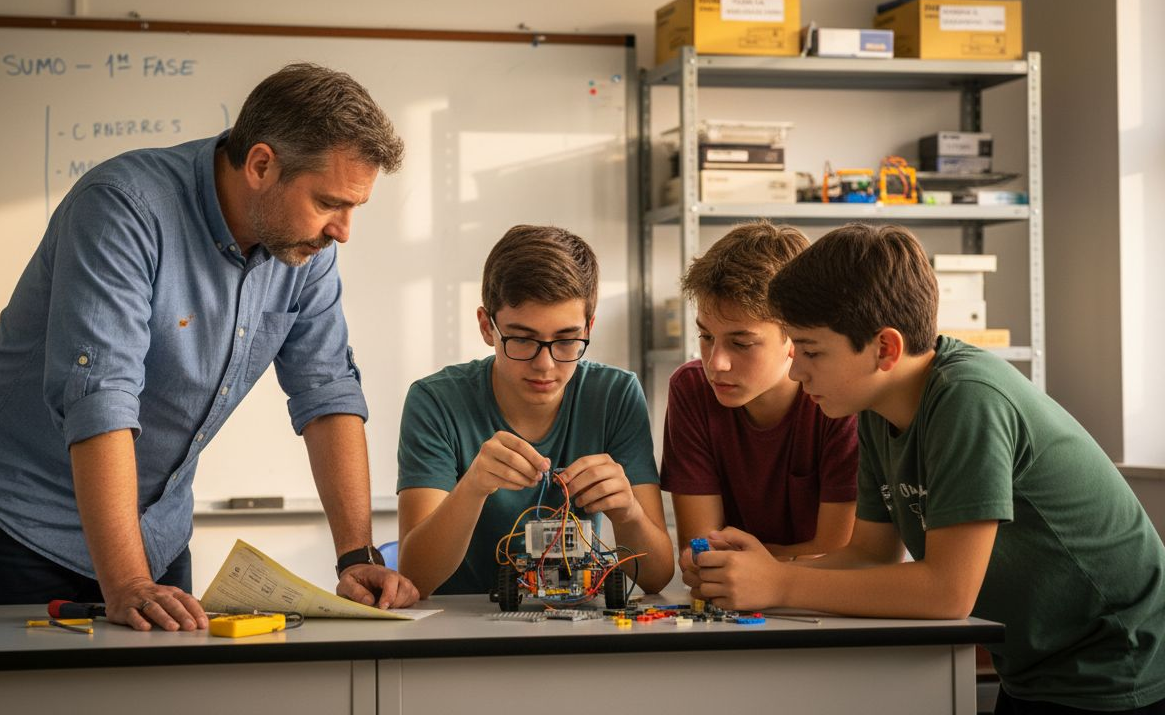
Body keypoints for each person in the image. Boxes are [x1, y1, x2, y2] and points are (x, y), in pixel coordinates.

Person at [0, 62, 420, 631]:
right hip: (18, 520)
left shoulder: (305, 247)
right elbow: (103, 396)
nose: (343, 230)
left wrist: (356, 557)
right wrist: (128, 583)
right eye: (329, 202)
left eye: (354, 208)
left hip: (153, 531)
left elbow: (327, 391)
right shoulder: (124, 207)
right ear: (262, 165)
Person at [692, 223, 1165, 714]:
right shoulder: (876, 407)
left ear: (886, 349)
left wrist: (780, 585)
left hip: (1118, 664)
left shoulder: (968, 399)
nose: (795, 371)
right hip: (1037, 667)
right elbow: (870, 554)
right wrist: (765, 570)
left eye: (811, 351)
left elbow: (947, 592)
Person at [396, 225, 673, 598]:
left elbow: (656, 577)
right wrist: (474, 487)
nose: (545, 364)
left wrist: (628, 513)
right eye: (523, 339)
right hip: (458, 626)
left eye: (566, 340)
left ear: (589, 327)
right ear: (486, 326)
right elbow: (415, 578)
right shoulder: (435, 401)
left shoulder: (615, 395)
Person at [661, 221, 857, 591]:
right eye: (705, 336)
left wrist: (750, 565)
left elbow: (843, 557)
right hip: (731, 603)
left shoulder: (841, 401)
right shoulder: (691, 389)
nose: (715, 363)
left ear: (795, 338)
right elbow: (699, 550)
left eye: (742, 343)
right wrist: (797, 558)